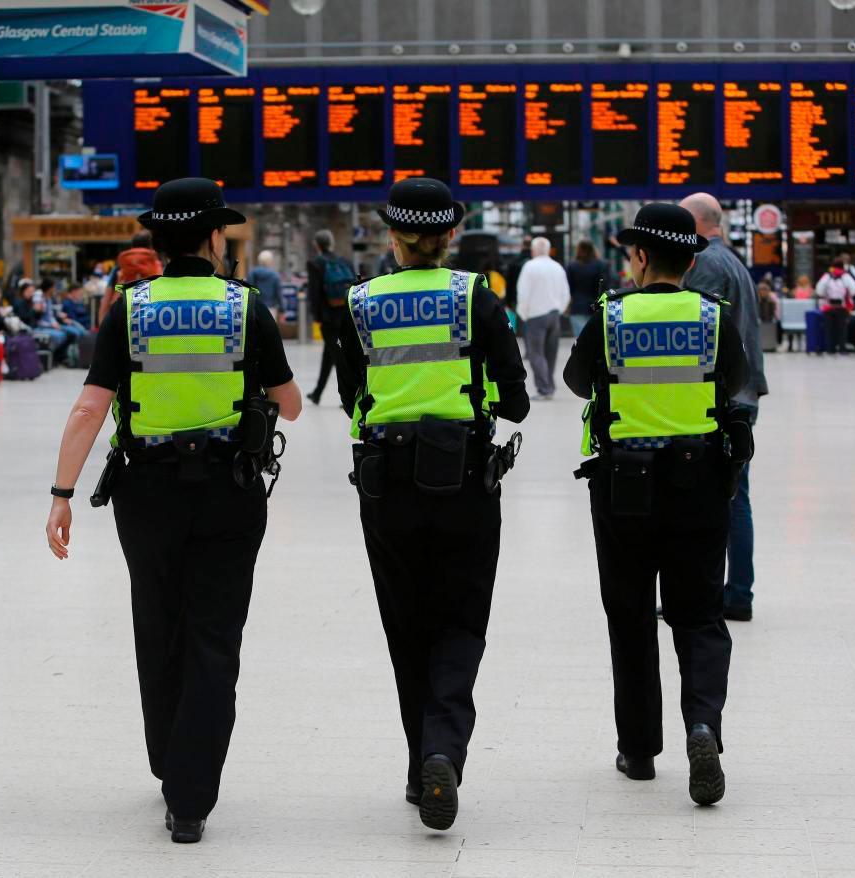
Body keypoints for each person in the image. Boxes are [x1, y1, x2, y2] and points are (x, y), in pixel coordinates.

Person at [44, 177, 301, 844]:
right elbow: (293, 402)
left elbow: (88, 409)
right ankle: (191, 798)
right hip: (230, 488)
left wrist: (62, 495)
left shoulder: (128, 310)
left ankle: (168, 760)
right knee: (214, 636)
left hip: (147, 492)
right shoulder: (245, 308)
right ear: (215, 238)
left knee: (159, 626)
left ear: (156, 240)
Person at [334, 178, 530, 831]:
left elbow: (349, 397)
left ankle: (423, 767)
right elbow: (517, 399)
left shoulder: (358, 302)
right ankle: (444, 747)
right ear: (449, 237)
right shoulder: (478, 297)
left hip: (386, 485)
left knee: (406, 625)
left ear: (392, 236)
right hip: (464, 480)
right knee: (461, 621)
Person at [564, 202, 752, 808]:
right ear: (692, 260)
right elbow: (737, 382)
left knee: (632, 616)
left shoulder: (611, 316)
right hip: (699, 483)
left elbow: (573, 380)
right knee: (698, 616)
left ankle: (640, 751)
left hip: (624, 487)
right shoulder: (714, 317)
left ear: (641, 256)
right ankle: (702, 726)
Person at [681, 193, 768, 623]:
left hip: (723, 399)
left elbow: (696, 330)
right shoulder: (734, 261)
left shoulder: (708, 265)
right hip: (743, 395)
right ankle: (736, 592)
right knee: (737, 496)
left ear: (696, 222)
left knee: (723, 499)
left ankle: (722, 594)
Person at [516, 237, 571, 400]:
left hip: (535, 315)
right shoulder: (557, 267)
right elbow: (565, 293)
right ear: (548, 250)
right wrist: (559, 310)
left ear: (533, 251)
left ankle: (544, 388)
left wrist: (524, 314)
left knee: (536, 354)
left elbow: (523, 293)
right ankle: (550, 386)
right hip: (554, 314)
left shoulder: (529, 267)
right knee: (550, 353)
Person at [306, 229, 355, 405]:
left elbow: (314, 292)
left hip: (329, 318)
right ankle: (317, 393)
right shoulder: (345, 261)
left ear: (317, 245)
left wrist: (317, 316)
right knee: (330, 354)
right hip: (345, 314)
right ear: (331, 243)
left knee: (340, 358)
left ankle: (351, 396)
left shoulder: (315, 263)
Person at [99, 230, 163, 325]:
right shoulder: (157, 265)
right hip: (150, 314)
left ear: (132, 246)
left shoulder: (120, 267)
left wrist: (102, 323)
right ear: (152, 247)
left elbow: (107, 298)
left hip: (122, 311)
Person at [566, 240, 608, 337]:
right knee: (594, 338)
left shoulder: (572, 266)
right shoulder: (600, 265)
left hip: (577, 306)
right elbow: (603, 286)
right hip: (595, 306)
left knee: (580, 339)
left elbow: (569, 288)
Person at [815, 262, 855, 354]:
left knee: (829, 329)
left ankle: (830, 349)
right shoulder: (846, 276)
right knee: (842, 329)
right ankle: (842, 348)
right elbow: (854, 290)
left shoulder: (827, 276)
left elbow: (819, 290)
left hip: (828, 307)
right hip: (842, 307)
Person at [247, 249, 283, 319]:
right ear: (270, 261)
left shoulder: (252, 273)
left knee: (256, 329)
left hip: (255, 308)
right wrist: (282, 310)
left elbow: (248, 290)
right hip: (271, 308)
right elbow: (279, 294)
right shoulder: (275, 275)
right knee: (269, 329)